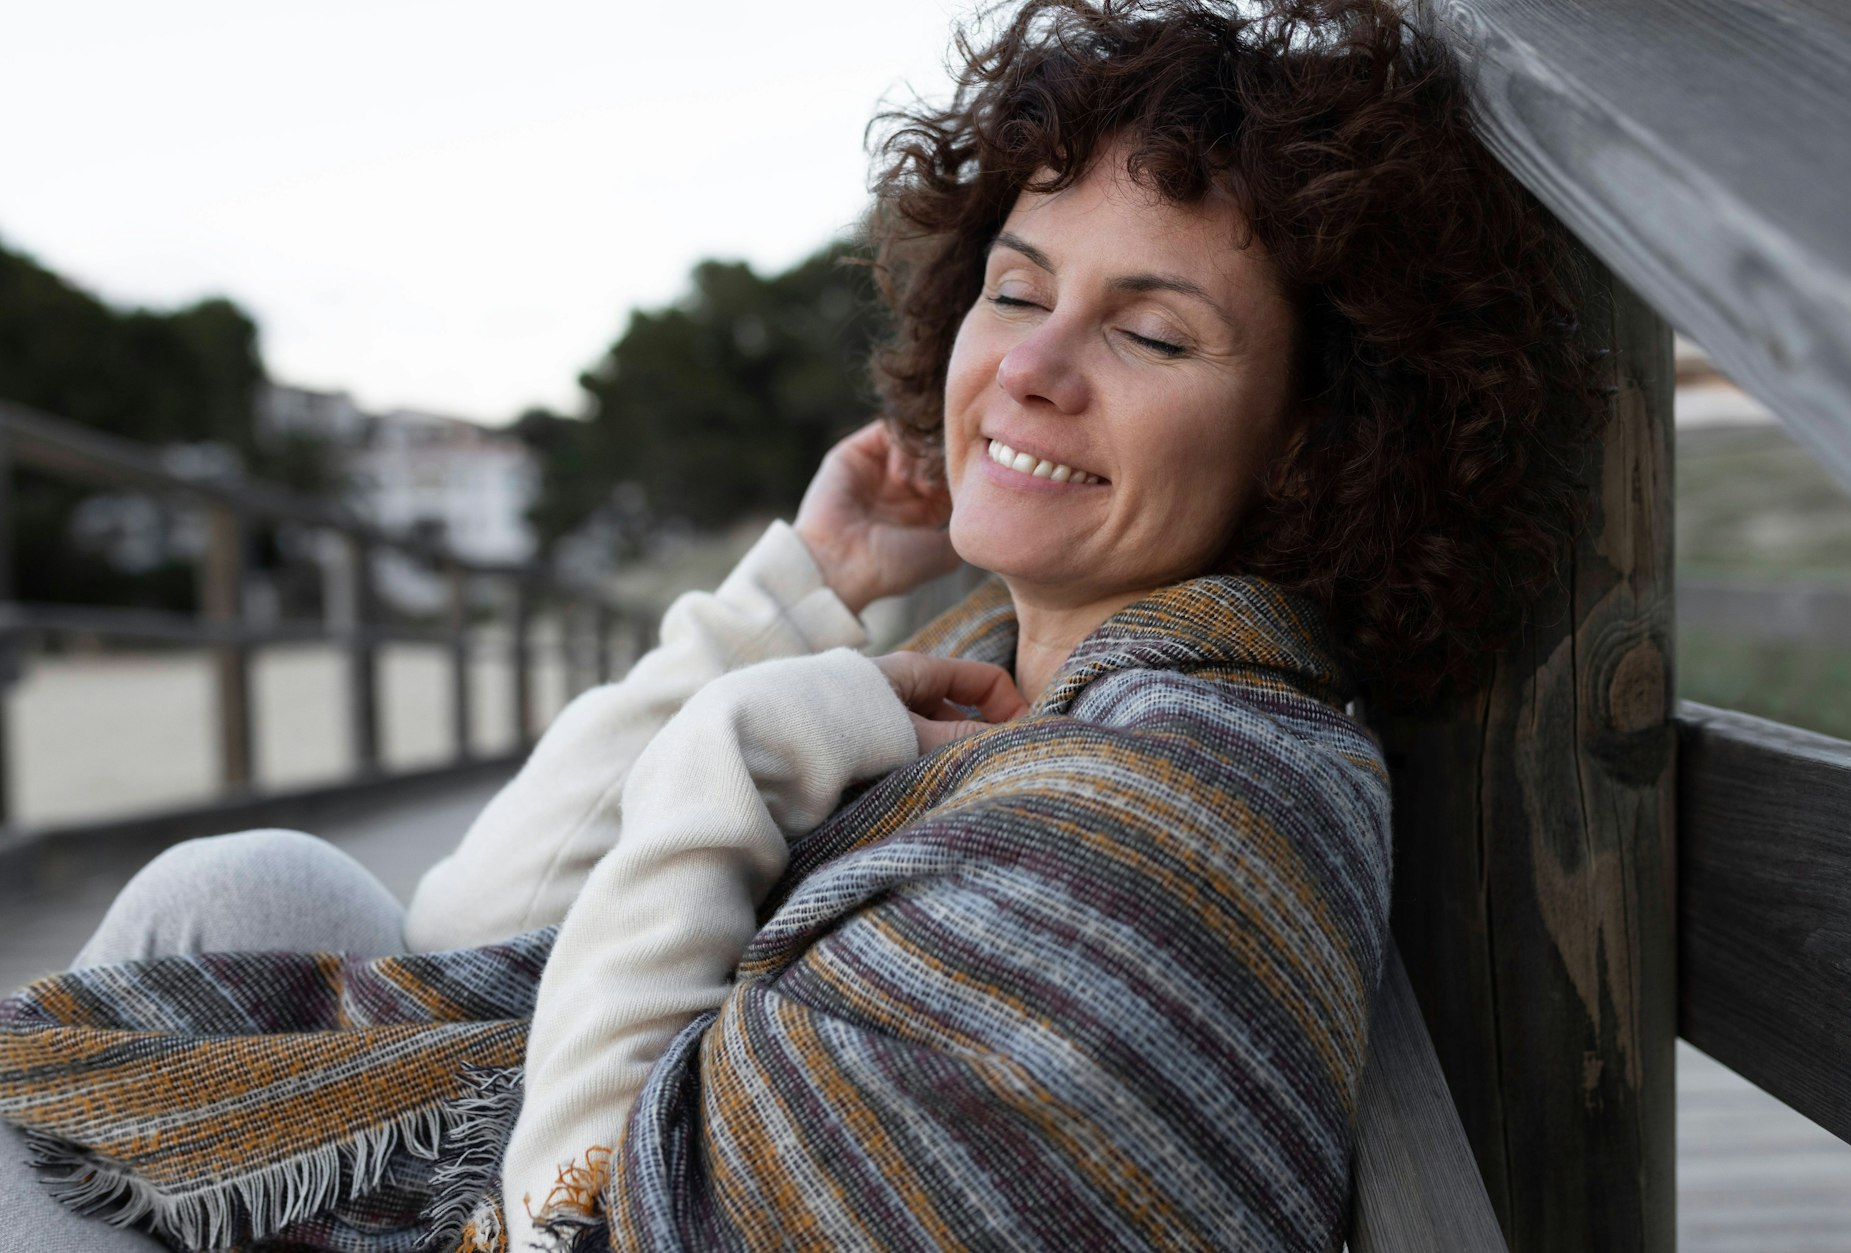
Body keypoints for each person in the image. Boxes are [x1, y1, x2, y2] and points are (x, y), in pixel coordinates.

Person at [0, 1, 1608, 1249]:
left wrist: (744, 749)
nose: (1031, 368)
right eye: (1017, 287)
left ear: (1319, 430)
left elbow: (574, 1217)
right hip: (552, 1141)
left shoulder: (1152, 815)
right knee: (246, 886)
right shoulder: (1032, 675)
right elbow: (482, 911)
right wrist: (801, 592)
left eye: (1154, 333)